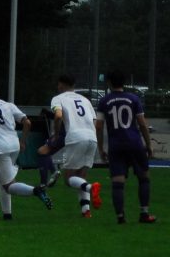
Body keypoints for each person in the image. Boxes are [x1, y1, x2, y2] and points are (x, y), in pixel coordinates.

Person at [0, 78, 52, 220]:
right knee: (0, 178)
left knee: (8, 185)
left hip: (0, 148)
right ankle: (7, 214)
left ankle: (36, 190)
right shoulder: (8, 105)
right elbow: (27, 122)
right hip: (14, 145)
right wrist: (23, 142)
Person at [95, 70, 156, 224]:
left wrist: (101, 148)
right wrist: (148, 144)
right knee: (144, 178)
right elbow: (142, 123)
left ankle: (120, 217)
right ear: (124, 83)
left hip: (116, 145)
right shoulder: (133, 99)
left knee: (118, 182)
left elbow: (99, 127)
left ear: (109, 82)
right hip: (134, 143)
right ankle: (144, 213)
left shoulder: (104, 101)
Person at [49, 75, 101, 217]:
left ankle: (91, 188)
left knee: (68, 179)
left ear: (61, 85)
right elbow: (94, 120)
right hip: (92, 137)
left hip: (75, 137)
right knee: (81, 176)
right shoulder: (85, 100)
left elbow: (58, 116)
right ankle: (86, 211)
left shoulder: (58, 98)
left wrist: (56, 134)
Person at [36, 108, 64, 188]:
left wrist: (47, 113)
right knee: (45, 152)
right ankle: (54, 172)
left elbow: (59, 116)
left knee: (41, 152)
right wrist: (48, 114)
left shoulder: (60, 102)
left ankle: (43, 183)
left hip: (63, 134)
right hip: (67, 133)